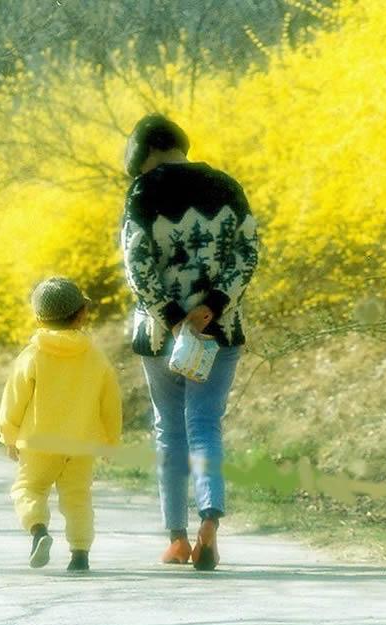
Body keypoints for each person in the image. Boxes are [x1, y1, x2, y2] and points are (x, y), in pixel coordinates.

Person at [120, 114, 259, 570]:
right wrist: (212, 307)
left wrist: (174, 318)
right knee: (205, 424)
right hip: (220, 331)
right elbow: (247, 254)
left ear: (144, 153)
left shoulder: (142, 192)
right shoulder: (227, 186)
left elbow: (137, 266)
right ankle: (210, 522)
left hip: (163, 336)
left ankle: (177, 539)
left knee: (169, 428)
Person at [0, 276, 122, 572]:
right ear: (82, 314)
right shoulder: (95, 357)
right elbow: (110, 403)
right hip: (81, 444)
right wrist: (110, 441)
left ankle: (38, 530)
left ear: (39, 318)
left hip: (38, 442)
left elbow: (14, 398)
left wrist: (9, 435)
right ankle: (80, 554)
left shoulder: (32, 355)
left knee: (28, 489)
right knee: (78, 498)